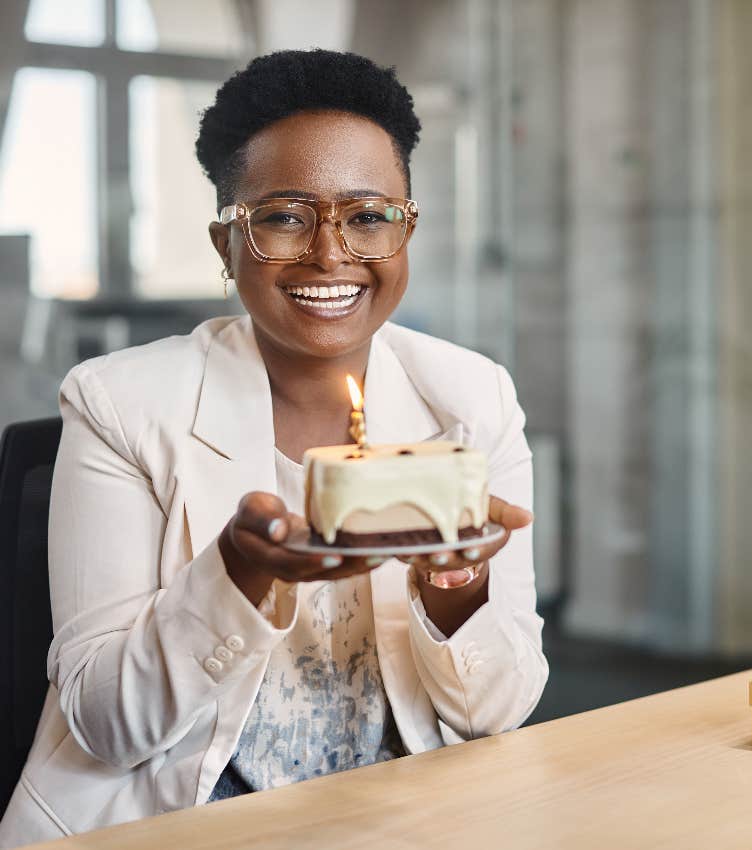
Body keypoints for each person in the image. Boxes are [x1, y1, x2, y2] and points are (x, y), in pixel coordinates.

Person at [0, 48, 548, 847]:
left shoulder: (472, 400)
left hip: (398, 819)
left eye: (367, 216)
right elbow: (106, 725)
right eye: (285, 218)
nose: (331, 255)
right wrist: (240, 574)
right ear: (226, 245)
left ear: (406, 230)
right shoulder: (119, 403)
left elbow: (501, 710)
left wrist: (456, 583)